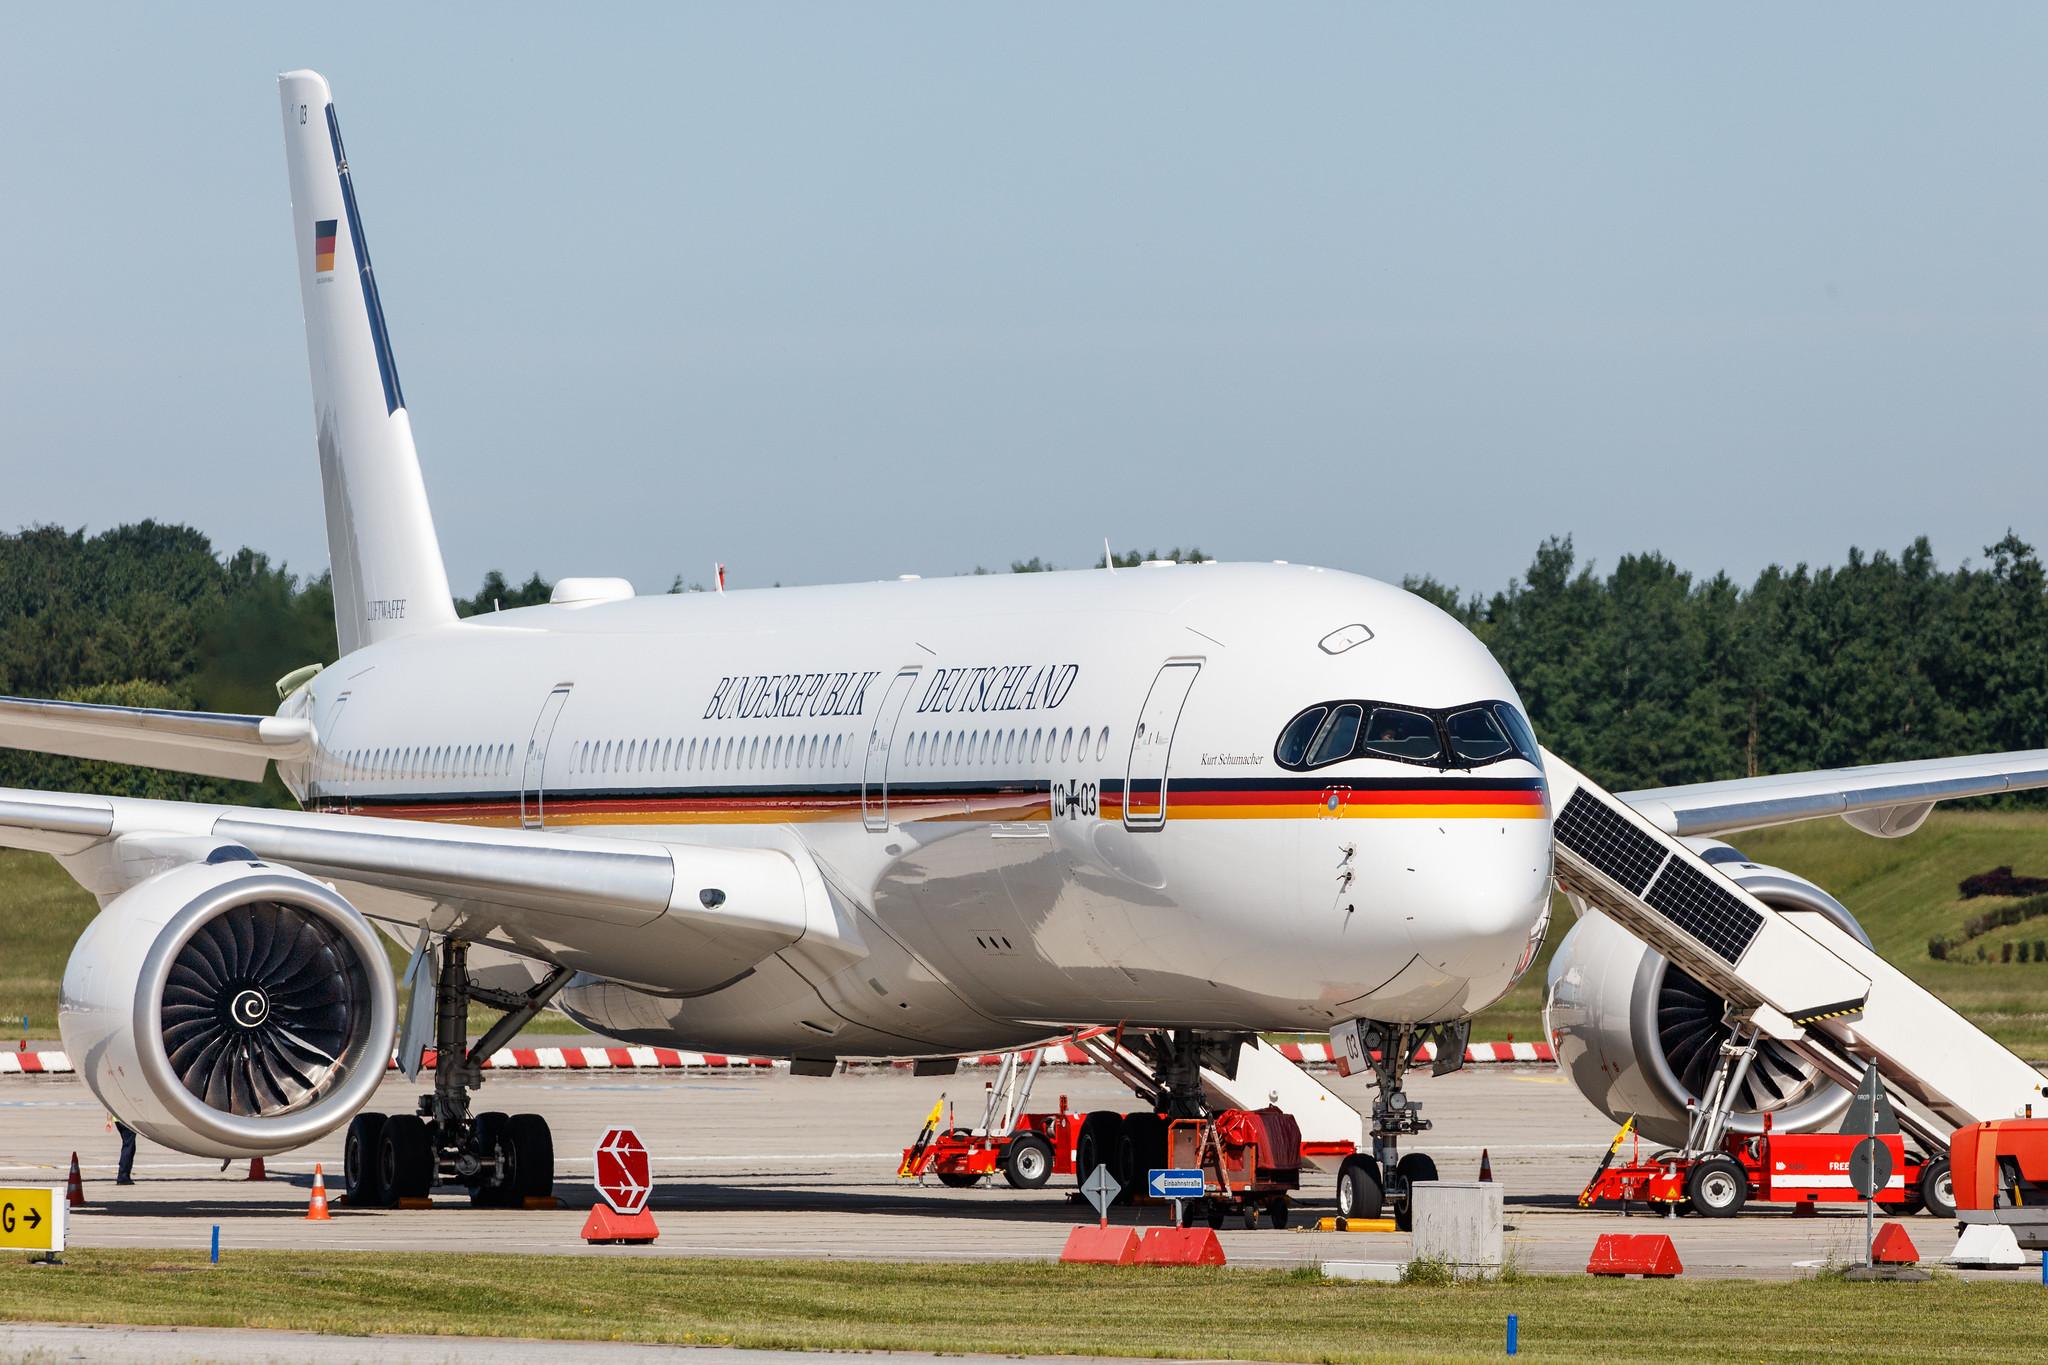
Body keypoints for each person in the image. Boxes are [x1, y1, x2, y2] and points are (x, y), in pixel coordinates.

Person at [115, 1120, 136, 1185]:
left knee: (128, 1146)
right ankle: (123, 1176)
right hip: (126, 1120)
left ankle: (124, 1175)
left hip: (117, 1120)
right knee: (129, 1147)